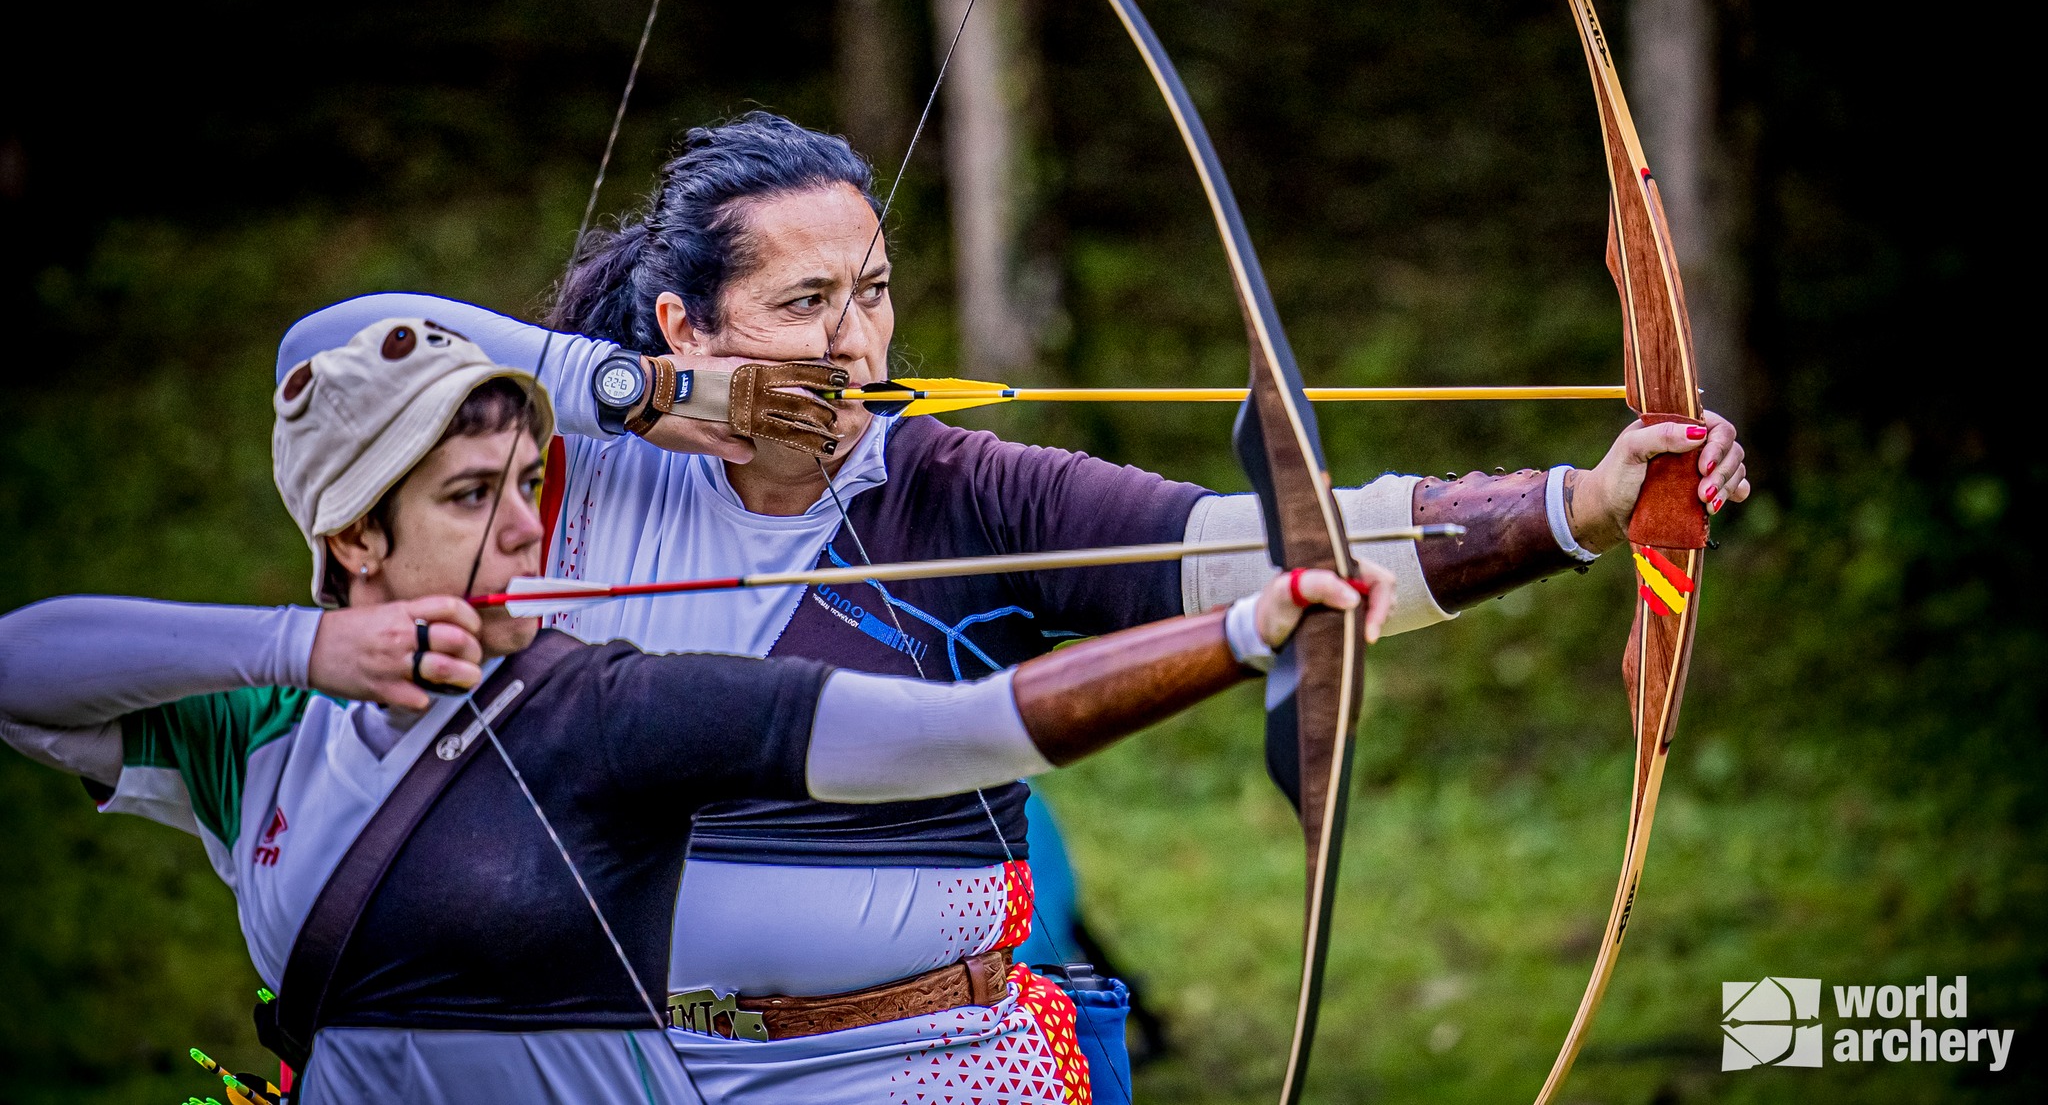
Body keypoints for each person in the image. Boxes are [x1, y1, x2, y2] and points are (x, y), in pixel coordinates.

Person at [274, 113, 1754, 1099]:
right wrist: (635, 398)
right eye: (803, 306)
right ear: (686, 324)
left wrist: (1578, 505)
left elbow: (1260, 548)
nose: (853, 342)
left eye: (873, 291)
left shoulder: (963, 491)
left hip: (924, 1062)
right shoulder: (568, 468)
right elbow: (337, 346)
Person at [0, 317, 1380, 1104]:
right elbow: (22, 663)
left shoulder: (605, 708)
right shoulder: (252, 730)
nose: (529, 533)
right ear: (355, 531)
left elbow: (969, 728)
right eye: (472, 498)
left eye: (534, 483)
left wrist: (1238, 630)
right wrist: (310, 647)